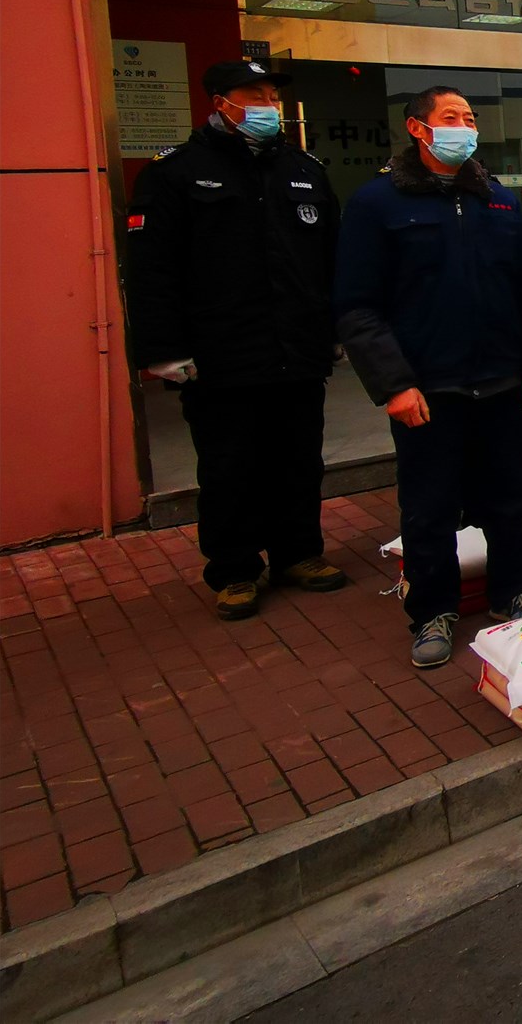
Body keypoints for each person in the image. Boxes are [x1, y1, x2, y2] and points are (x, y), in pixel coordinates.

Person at [336, 85, 522, 669]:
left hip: (502, 382)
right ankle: (433, 611)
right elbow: (357, 306)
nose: (465, 126)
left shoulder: (497, 200)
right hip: (428, 389)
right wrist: (393, 383)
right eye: (450, 116)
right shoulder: (377, 203)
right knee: (430, 508)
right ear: (418, 128)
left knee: (508, 498)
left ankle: (513, 592)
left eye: (470, 117)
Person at [125, 58, 348, 621]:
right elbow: (151, 271)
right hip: (220, 355)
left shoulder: (304, 170)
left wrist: (335, 329)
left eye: (272, 96)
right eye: (255, 96)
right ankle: (234, 570)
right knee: (229, 467)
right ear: (220, 102)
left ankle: (299, 553)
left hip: (297, 348)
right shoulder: (175, 173)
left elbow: (332, 260)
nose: (268, 106)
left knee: (299, 460)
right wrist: (162, 351)